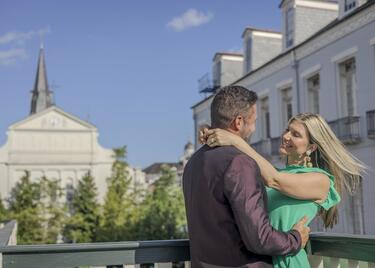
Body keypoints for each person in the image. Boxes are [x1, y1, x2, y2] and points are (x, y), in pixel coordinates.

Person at [202, 112, 366, 267]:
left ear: (311, 148)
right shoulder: (277, 172)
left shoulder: (320, 180)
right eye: (287, 130)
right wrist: (211, 132)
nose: (286, 136)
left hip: (287, 262)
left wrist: (235, 140)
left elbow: (274, 180)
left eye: (296, 134)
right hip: (261, 259)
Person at [183, 85, 310, 268]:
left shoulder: (193, 163)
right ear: (239, 122)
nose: (254, 128)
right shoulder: (240, 163)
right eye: (254, 121)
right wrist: (295, 238)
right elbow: (260, 237)